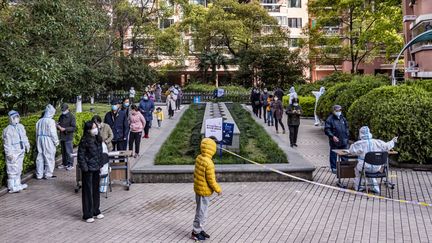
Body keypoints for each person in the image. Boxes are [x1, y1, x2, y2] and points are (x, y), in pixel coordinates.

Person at [349, 126, 398, 193]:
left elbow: (351, 151)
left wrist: (352, 146)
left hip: (365, 167)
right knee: (368, 169)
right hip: (377, 167)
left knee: (358, 170)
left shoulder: (359, 144)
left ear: (360, 134)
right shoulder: (377, 142)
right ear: (369, 133)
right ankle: (374, 187)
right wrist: (392, 141)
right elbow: (387, 146)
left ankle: (359, 187)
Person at [191, 138, 222, 241]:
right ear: (212, 149)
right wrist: (218, 189)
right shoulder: (209, 163)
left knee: (201, 210)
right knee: (202, 212)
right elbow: (211, 180)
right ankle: (196, 232)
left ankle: (200, 229)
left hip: (199, 189)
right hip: (204, 192)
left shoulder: (199, 157)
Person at [77, 121, 105, 223]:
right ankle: (87, 214)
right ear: (88, 130)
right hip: (88, 169)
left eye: (96, 127)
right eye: (93, 128)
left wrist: (100, 165)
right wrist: (85, 168)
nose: (95, 129)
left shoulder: (98, 139)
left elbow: (100, 153)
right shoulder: (85, 140)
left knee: (95, 190)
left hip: (96, 168)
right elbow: (81, 155)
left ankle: (96, 210)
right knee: (88, 191)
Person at [2, 110, 31, 193]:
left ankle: (18, 184)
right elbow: (7, 144)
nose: (16, 119)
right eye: (15, 118)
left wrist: (27, 145)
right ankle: (11, 186)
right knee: (12, 169)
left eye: (17, 117)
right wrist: (9, 154)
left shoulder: (20, 126)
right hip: (13, 152)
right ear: (11, 118)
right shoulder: (7, 130)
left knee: (19, 168)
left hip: (21, 150)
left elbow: (24, 137)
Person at [35, 104, 59, 180]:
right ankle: (48, 174)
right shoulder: (51, 121)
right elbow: (53, 133)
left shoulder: (39, 121)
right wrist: (56, 141)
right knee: (49, 156)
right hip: (48, 139)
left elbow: (36, 132)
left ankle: (39, 174)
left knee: (40, 157)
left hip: (39, 139)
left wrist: (37, 140)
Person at [324, 105, 349, 174]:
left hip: (344, 140)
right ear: (333, 111)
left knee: (344, 154)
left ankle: (345, 167)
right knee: (333, 155)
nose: (338, 112)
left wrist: (347, 135)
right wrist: (332, 136)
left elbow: (346, 127)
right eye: (337, 110)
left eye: (339, 110)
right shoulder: (330, 119)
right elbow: (327, 129)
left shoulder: (342, 118)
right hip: (334, 141)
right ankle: (334, 167)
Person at [57, 103, 76, 171]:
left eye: (64, 110)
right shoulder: (61, 116)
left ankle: (70, 164)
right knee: (63, 151)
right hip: (62, 136)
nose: (63, 111)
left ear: (68, 109)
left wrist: (65, 129)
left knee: (69, 151)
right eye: (62, 110)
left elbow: (73, 127)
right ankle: (64, 163)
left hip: (68, 136)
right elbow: (59, 123)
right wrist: (57, 126)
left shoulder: (71, 116)